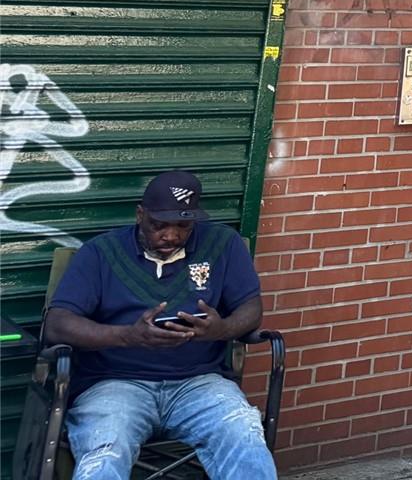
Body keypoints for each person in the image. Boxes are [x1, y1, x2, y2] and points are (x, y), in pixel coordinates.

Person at [40, 170, 273, 480]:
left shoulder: (223, 244)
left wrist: (223, 329)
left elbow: (251, 308)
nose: (171, 235)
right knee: (106, 452)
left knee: (243, 433)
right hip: (116, 384)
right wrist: (129, 336)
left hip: (200, 383)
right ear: (140, 215)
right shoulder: (100, 253)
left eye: (183, 226)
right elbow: (57, 325)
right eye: (159, 225)